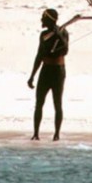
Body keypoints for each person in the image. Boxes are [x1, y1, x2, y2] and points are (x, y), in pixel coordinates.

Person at [27, 8, 70, 141]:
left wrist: (59, 35)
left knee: (57, 103)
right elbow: (39, 55)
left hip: (58, 71)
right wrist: (32, 76)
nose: (41, 20)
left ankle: (56, 134)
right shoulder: (44, 35)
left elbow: (65, 50)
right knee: (39, 102)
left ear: (49, 20)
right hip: (45, 70)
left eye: (44, 18)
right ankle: (36, 134)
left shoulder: (63, 32)